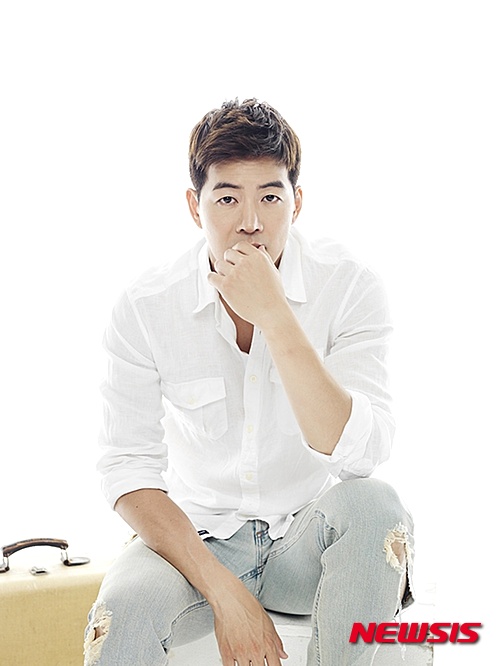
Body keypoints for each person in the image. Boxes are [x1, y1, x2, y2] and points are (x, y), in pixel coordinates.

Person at [84, 98, 414, 666]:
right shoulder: (145, 306)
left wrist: (277, 316)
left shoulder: (350, 286)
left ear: (297, 202)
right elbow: (127, 469)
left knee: (378, 507)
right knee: (121, 611)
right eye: (227, 198)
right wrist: (224, 592)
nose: (251, 222)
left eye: (270, 197)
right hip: (196, 542)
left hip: (305, 543)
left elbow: (358, 454)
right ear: (195, 206)